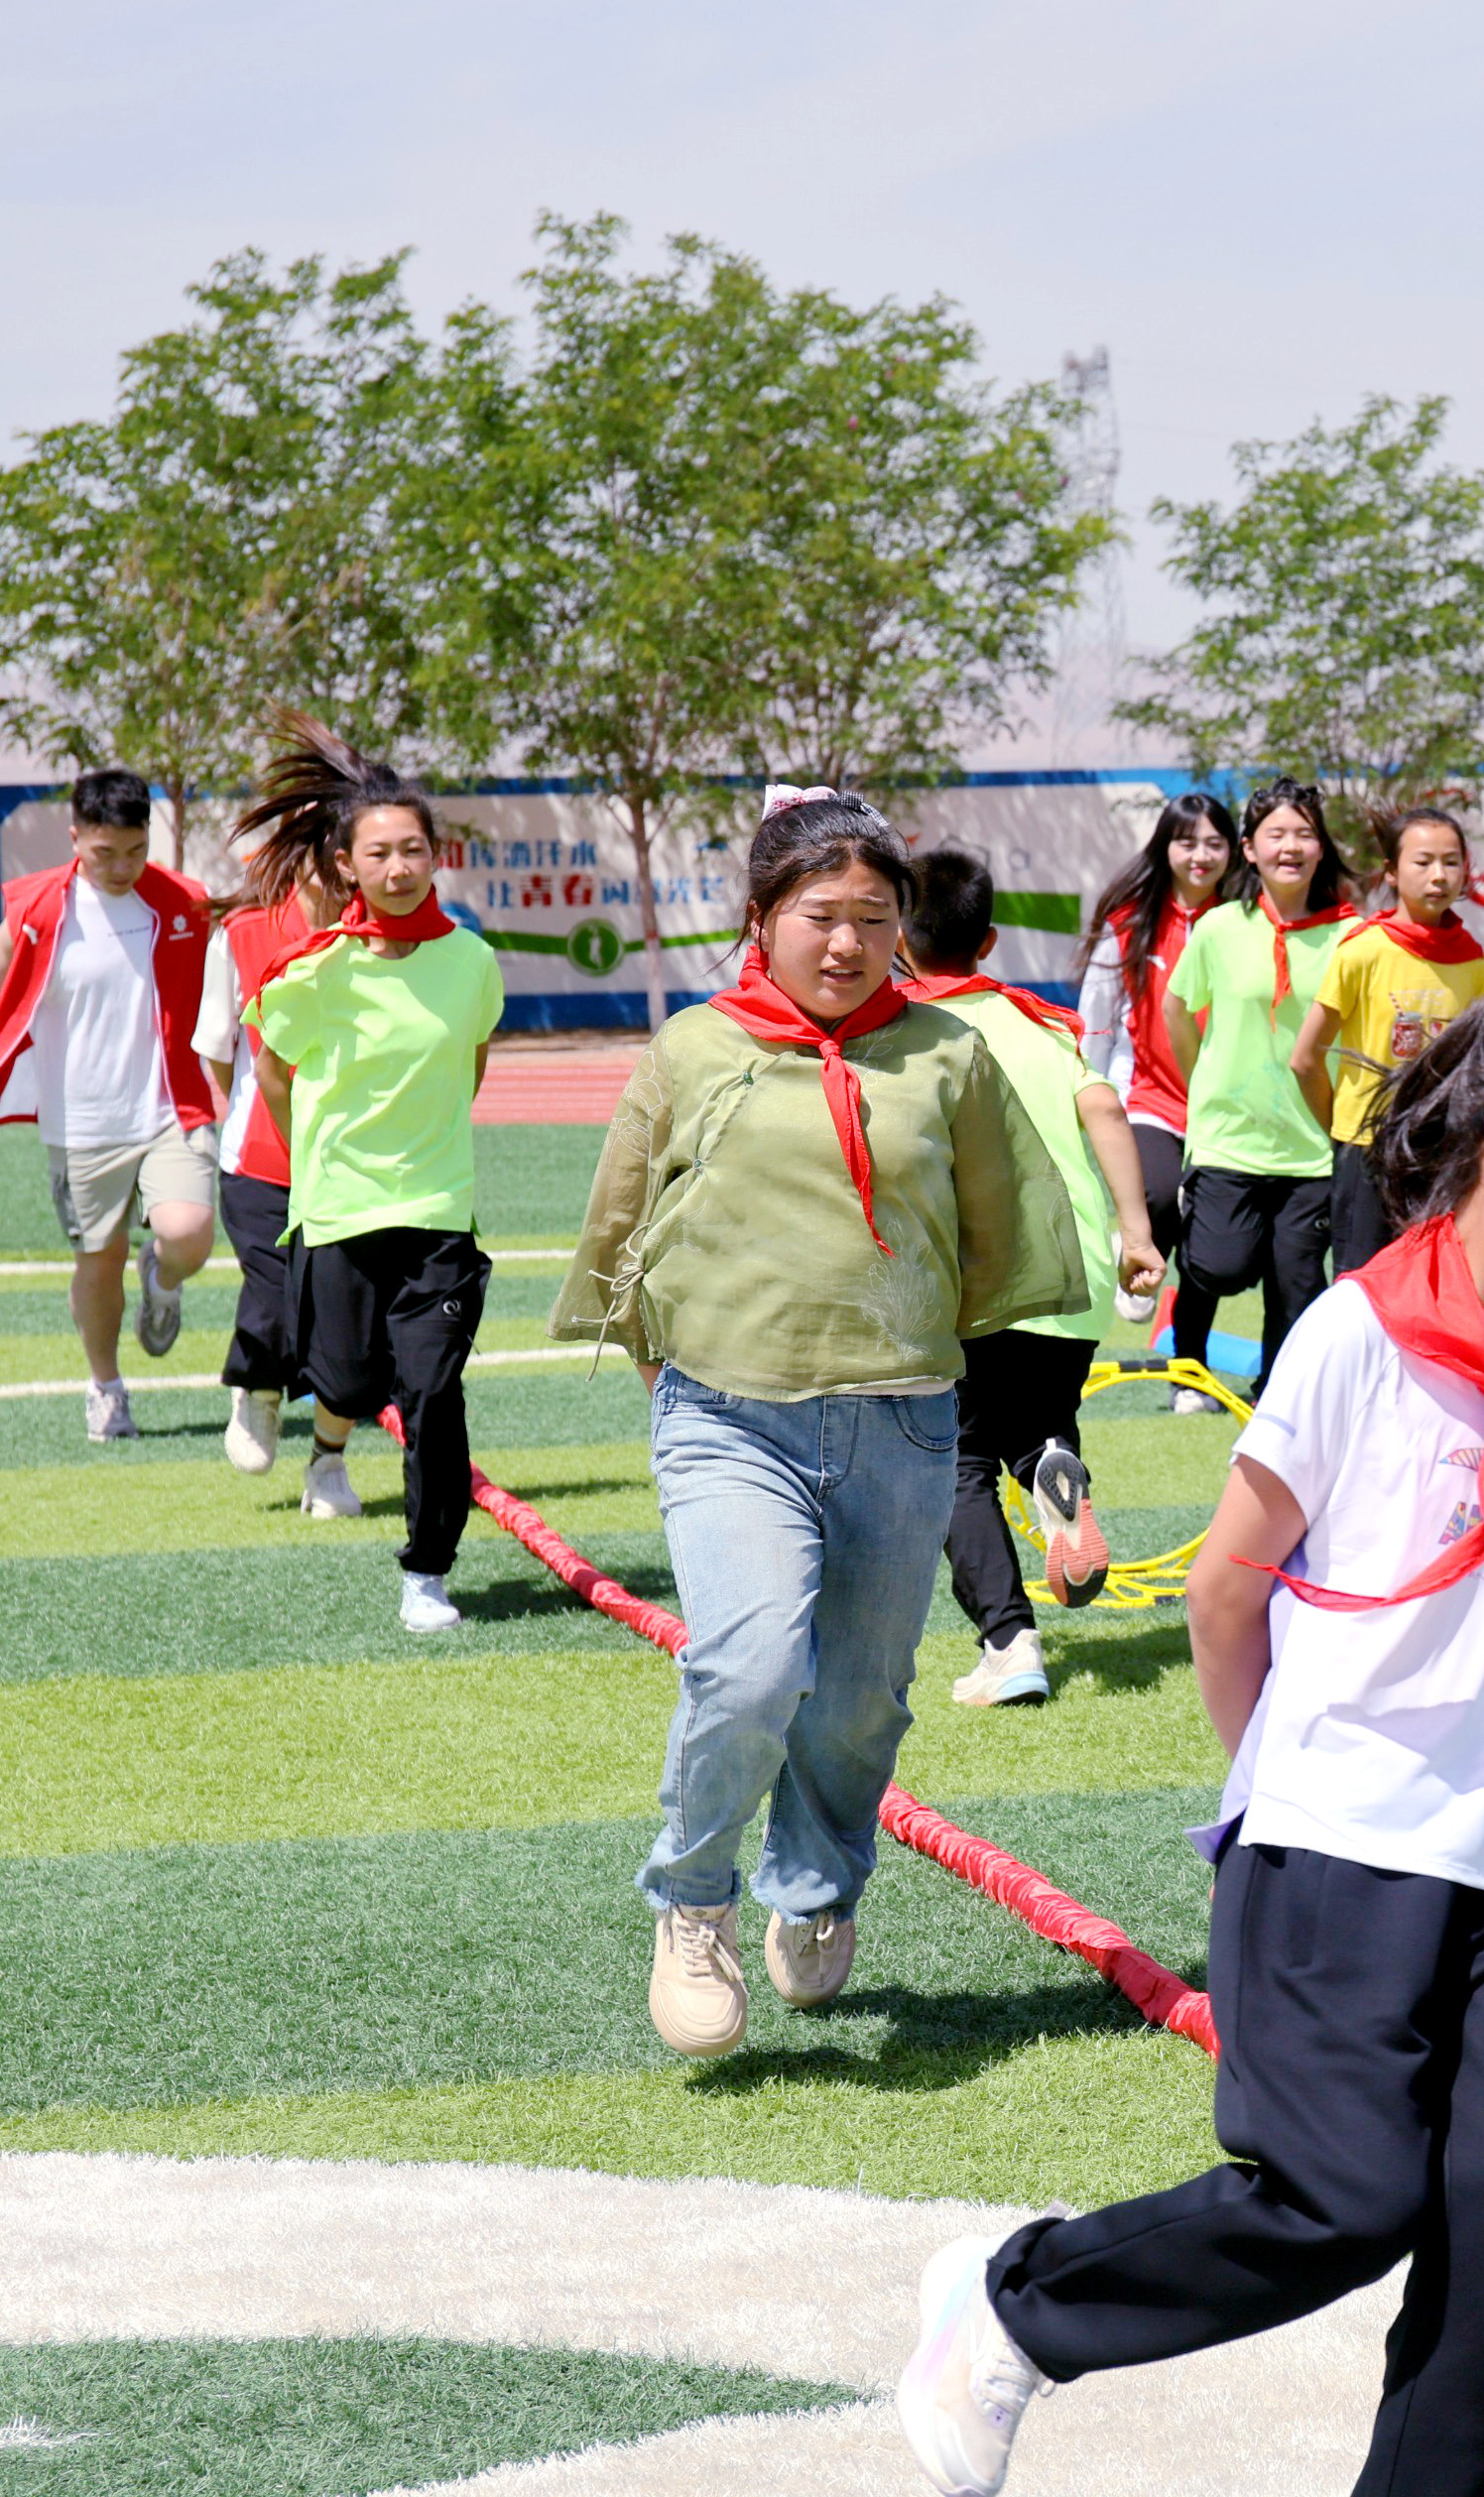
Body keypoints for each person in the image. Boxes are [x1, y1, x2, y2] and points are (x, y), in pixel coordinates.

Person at [898, 989, 1484, 2497]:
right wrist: (1281, 1782)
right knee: (1344, 2198)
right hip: (1333, 1840)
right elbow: (1225, 1588)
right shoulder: (1354, 1336)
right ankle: (1016, 2305)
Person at [557, 793, 1083, 2060]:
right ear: (761, 918)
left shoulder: (949, 1053)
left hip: (902, 1423)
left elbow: (1002, 1229)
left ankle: (814, 1887)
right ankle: (693, 1902)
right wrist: (674, 1384)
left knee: (856, 1703)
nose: (846, 942)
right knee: (747, 1670)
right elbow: (623, 1223)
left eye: (874, 917)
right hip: (729, 1419)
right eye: (820, 915)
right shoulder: (693, 1049)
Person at [245, 716, 504, 1633]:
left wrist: (426, 1149)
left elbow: (470, 1064)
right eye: (380, 853)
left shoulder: (472, 961)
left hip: (438, 1217)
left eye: (414, 850)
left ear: (437, 856)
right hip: (338, 1214)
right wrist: (317, 1164)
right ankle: (318, 1438)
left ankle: (427, 1572)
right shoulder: (312, 971)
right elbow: (273, 1071)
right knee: (349, 1387)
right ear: (347, 865)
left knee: (433, 1395)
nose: (400, 867)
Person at [905, 844, 1168, 1710]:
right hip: (1074, 1268)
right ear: (988, 943)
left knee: (956, 1461)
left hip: (976, 1275)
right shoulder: (1040, 1024)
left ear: (898, 937)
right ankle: (1051, 1459)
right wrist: (1136, 1235)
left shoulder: (903, 1033)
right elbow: (1106, 1109)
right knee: (1033, 1423)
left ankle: (1009, 1644)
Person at [0, 768, 222, 1441]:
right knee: (97, 1261)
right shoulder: (39, 910)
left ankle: (163, 1278)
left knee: (189, 1231)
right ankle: (106, 1387)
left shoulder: (182, 903)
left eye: (136, 850)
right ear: (75, 838)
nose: (123, 867)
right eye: (106, 853)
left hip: (170, 1108)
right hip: (82, 1125)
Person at [1161, 780, 1352, 1392]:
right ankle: (1187, 1371)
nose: (1290, 847)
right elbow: (1176, 1007)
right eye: (1276, 835)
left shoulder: (1353, 935)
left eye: (1304, 834)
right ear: (1249, 848)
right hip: (1227, 1139)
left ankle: (1276, 1394)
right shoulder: (1219, 927)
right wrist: (1204, 1082)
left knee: (1297, 1285)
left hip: (1313, 1144)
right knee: (1219, 1266)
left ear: (1321, 847)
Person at [192, 774, 353, 1486]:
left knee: (343, 1316)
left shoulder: (387, 939)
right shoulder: (243, 931)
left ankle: (328, 1462)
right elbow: (217, 1050)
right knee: (274, 1293)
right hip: (261, 1159)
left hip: (357, 1162)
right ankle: (255, 1388)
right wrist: (246, 1114)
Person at [1299, 802, 1484, 1273]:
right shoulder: (1363, 951)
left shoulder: (1473, 960)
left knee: (1432, 1279)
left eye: (1451, 862)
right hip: (1367, 1150)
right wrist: (1344, 1133)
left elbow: (1476, 1065)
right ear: (1391, 871)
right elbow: (1305, 1058)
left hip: (1440, 1151)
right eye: (1422, 862)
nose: (1439, 875)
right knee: (1362, 1282)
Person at [1076, 793, 1234, 1330]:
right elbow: (1097, 1019)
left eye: (1214, 843)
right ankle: (1140, 1244)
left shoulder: (1246, 923)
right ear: (1165, 846)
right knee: (1161, 1194)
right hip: (1148, 1096)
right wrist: (1089, 1095)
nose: (1201, 856)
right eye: (1187, 842)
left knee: (1207, 1243)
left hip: (1226, 1108)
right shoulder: (1129, 923)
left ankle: (1192, 1359)